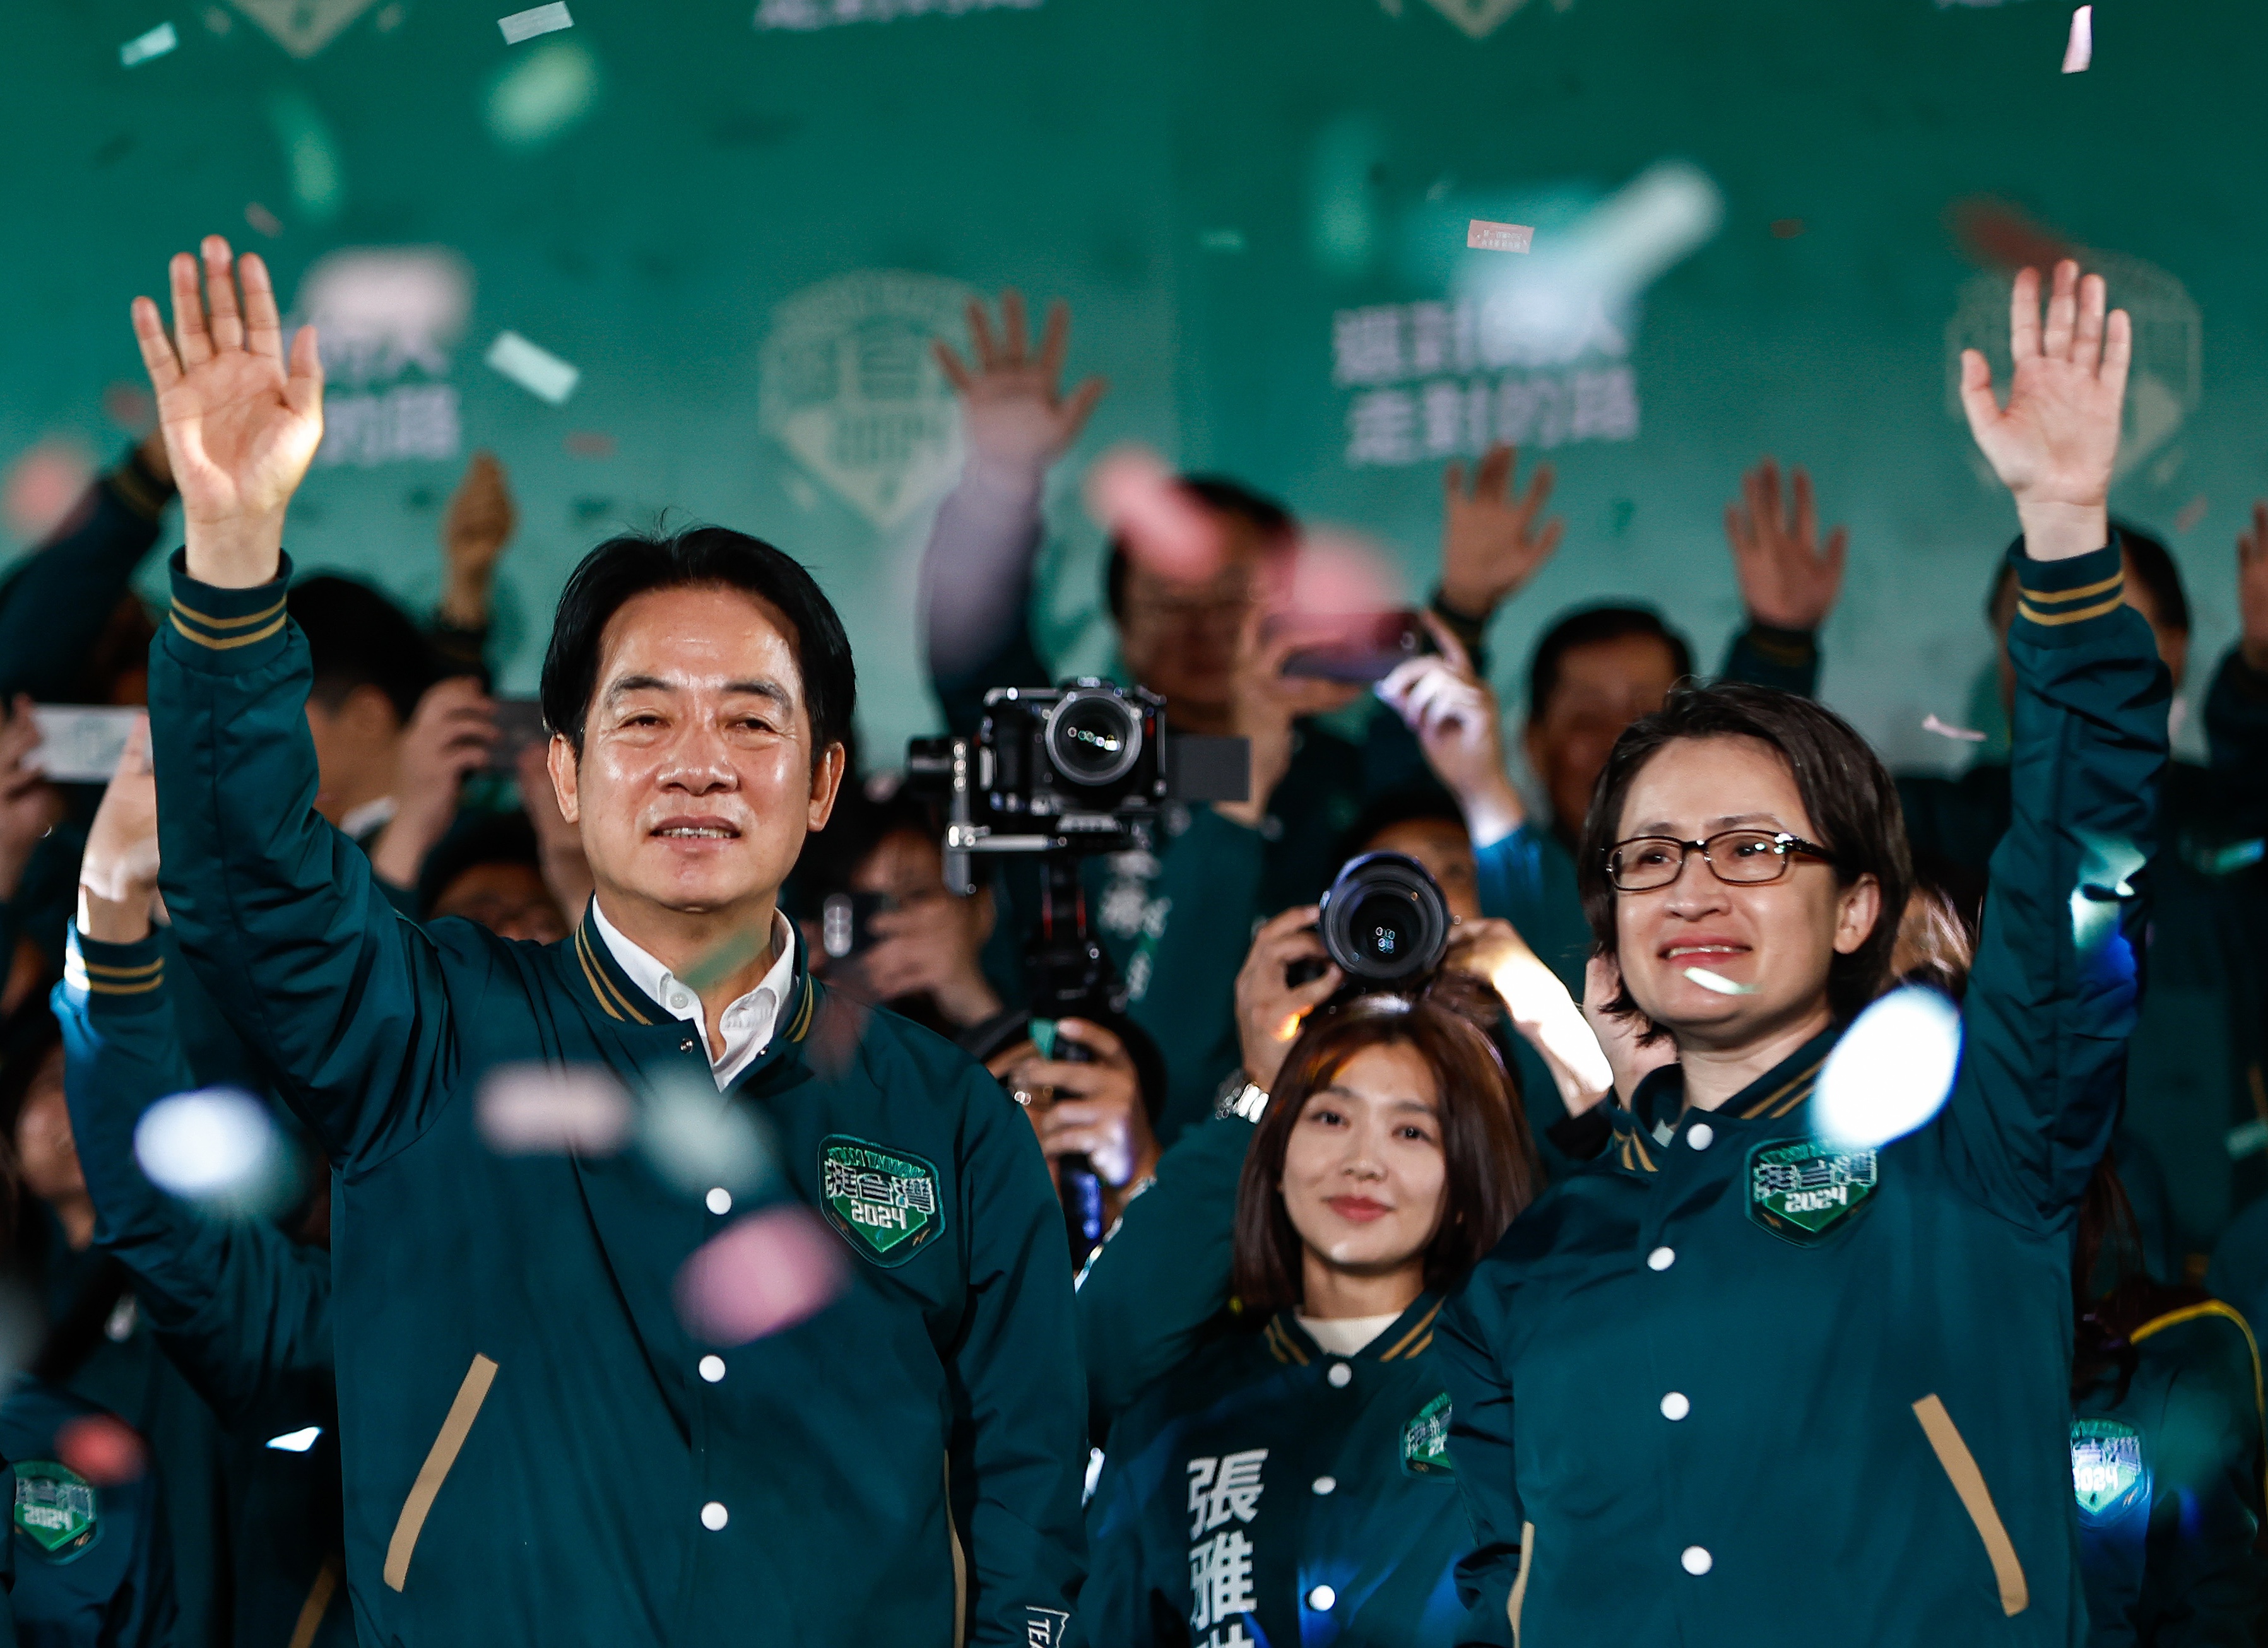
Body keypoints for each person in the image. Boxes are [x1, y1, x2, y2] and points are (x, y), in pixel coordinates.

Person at [129, 234, 1085, 1646]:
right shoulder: (430, 1035)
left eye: (752, 719)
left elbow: (1028, 1502)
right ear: (567, 775)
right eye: (645, 717)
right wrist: (226, 549)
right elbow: (244, 879)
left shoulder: (947, 1120)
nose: (700, 762)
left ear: (823, 782)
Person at [1438, 259, 2167, 1642]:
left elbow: (2078, 859)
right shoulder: (1537, 1259)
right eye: (1651, 855)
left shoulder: (1975, 1143)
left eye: (1752, 847)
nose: (1693, 885)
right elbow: (1497, 1594)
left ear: (1854, 909)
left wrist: (2066, 531)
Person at [919, 293, 1568, 1141]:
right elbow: (974, 655)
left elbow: (1432, 760)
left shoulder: (1338, 782)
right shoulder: (1073, 750)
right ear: (1119, 617)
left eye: (1229, 600)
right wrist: (999, 488)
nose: (1199, 627)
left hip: (1290, 1143)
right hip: (1047, 1131)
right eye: (1167, 601)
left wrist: (1461, 613)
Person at [1082, 980, 1537, 1648]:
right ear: (1273, 1156)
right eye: (1330, 1118)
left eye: (1411, 1131)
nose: (1363, 1162)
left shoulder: (1517, 1396)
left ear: (1467, 1184)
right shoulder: (1174, 1411)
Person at [1899, 519, 2268, 1262]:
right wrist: (1778, 646)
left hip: (2219, 1270)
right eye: (2033, 624)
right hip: (1994, 1261)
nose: (2061, 655)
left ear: (2175, 648)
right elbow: (1783, 820)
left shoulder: (2231, 827)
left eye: (2100, 621)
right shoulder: (1933, 835)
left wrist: (2259, 678)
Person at [1377, 455, 1850, 1001]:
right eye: (1585, 720)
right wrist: (1460, 612)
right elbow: (1399, 793)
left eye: (1648, 720)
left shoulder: (1738, 899)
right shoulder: (1479, 886)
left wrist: (1779, 644)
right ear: (1533, 743)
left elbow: (1752, 764)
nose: (1619, 743)